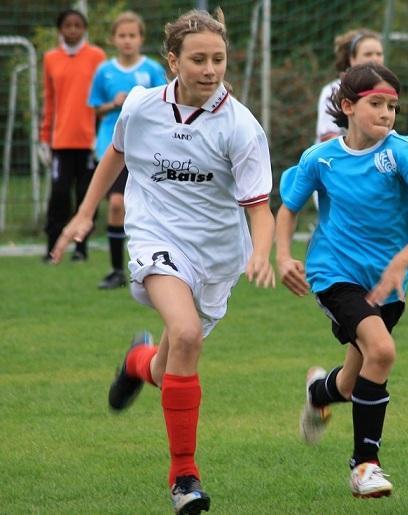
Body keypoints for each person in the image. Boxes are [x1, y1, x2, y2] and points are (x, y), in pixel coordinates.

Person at [51, 9, 275, 514]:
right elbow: (116, 155)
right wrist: (83, 215)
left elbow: (259, 207)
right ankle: (184, 478)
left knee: (173, 357)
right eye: (198, 59)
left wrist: (261, 252)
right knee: (188, 335)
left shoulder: (242, 128)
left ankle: (136, 363)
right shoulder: (142, 106)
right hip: (155, 234)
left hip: (217, 254)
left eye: (218, 59)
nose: (210, 69)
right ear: (172, 60)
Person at [276, 62, 408, 499]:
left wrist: (400, 263)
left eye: (392, 107)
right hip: (334, 274)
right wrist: (283, 256)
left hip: (387, 284)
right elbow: (288, 208)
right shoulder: (320, 158)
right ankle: (365, 466)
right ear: (347, 106)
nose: (385, 114)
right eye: (375, 104)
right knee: (381, 350)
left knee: (351, 381)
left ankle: (318, 392)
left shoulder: (400, 153)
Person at [88, 11, 167, 289]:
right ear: (113, 39)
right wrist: (114, 104)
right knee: (117, 205)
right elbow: (95, 108)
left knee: (148, 210)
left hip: (147, 149)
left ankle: (154, 266)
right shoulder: (104, 71)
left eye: (132, 35)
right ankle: (116, 270)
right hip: (112, 145)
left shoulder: (153, 70)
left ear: (141, 39)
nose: (127, 41)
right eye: (122, 36)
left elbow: (166, 106)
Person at [39, 9, 106, 262]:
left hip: (88, 141)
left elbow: (102, 97)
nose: (73, 30)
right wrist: (44, 138)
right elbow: (50, 100)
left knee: (85, 196)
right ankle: (52, 247)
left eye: (78, 25)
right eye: (68, 25)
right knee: (58, 195)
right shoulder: (51, 58)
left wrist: (99, 136)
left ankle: (81, 249)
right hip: (61, 141)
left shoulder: (97, 56)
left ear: (84, 29)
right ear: (60, 29)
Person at [316, 28, 384, 144]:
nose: (375, 59)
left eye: (379, 54)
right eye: (368, 54)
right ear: (352, 59)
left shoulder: (385, 90)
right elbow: (328, 137)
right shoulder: (334, 90)